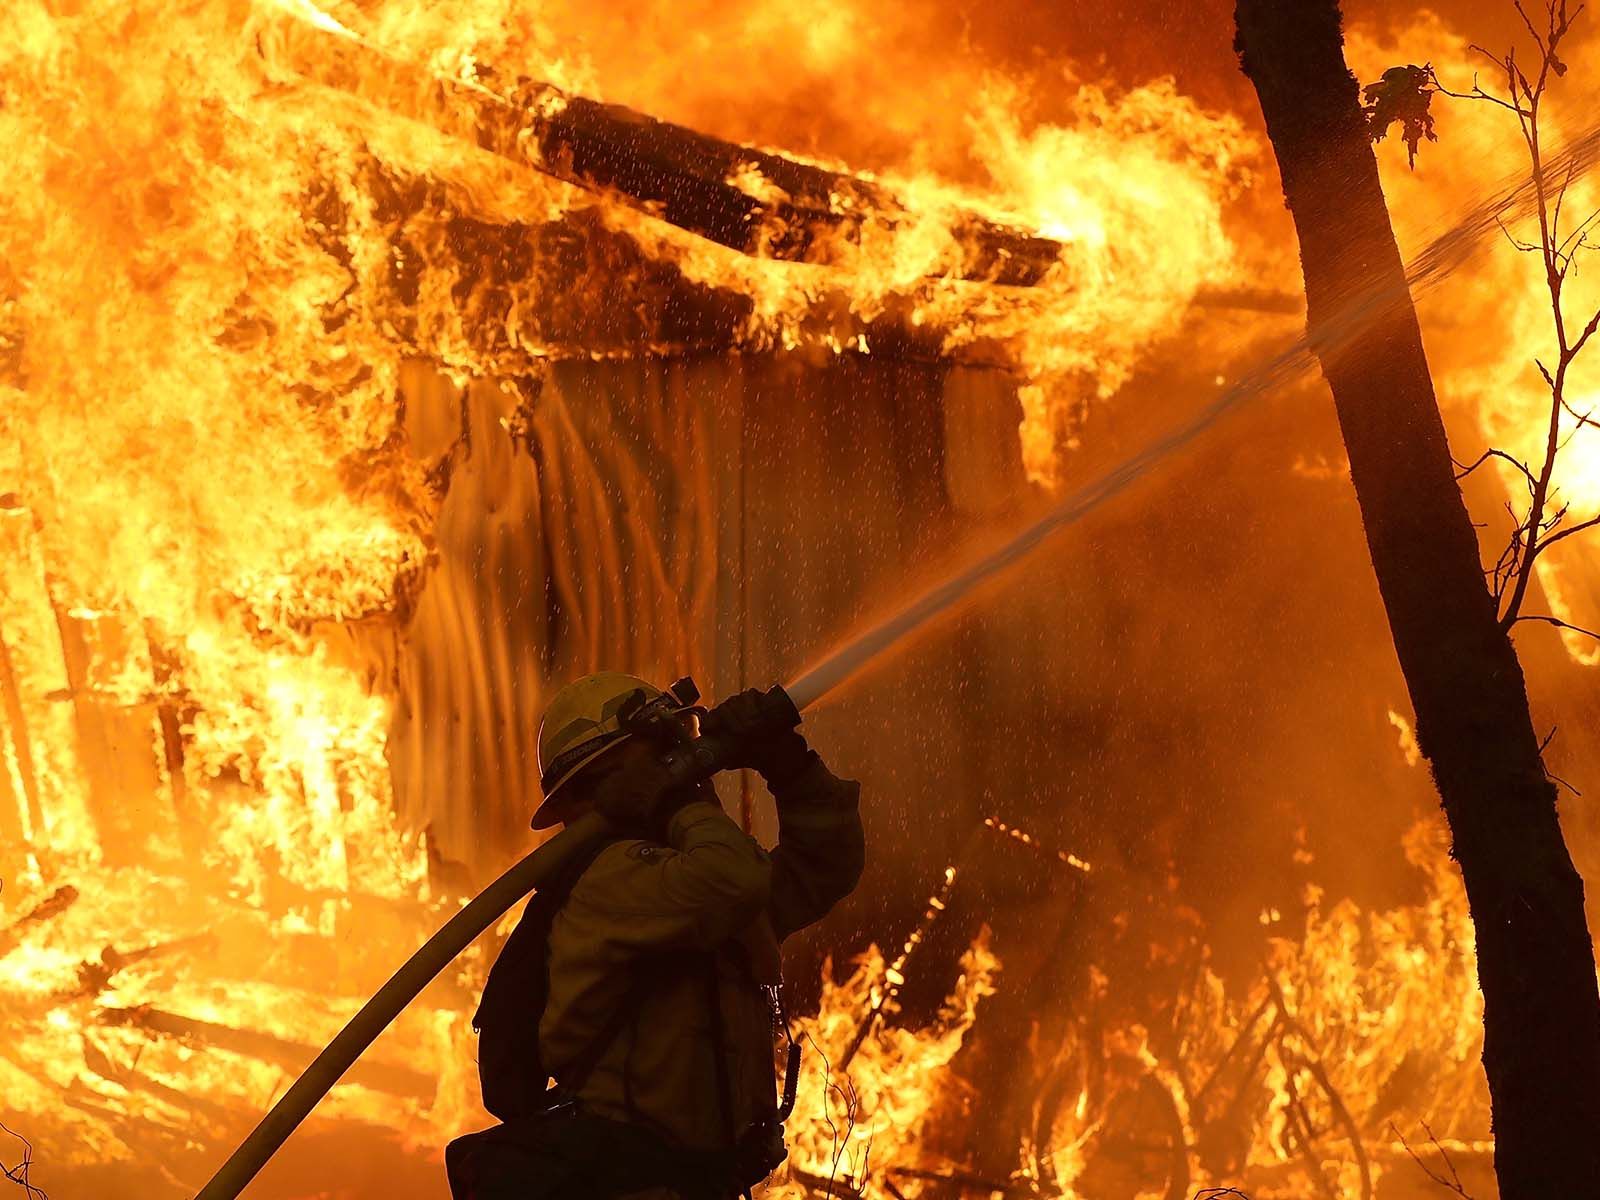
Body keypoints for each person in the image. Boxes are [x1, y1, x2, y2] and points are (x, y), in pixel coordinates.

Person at [447, 671, 866, 1200]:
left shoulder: (684, 886)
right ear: (599, 783)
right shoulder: (609, 879)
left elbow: (824, 866)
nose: (689, 770)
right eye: (664, 755)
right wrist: (674, 801)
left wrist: (786, 763)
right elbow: (732, 881)